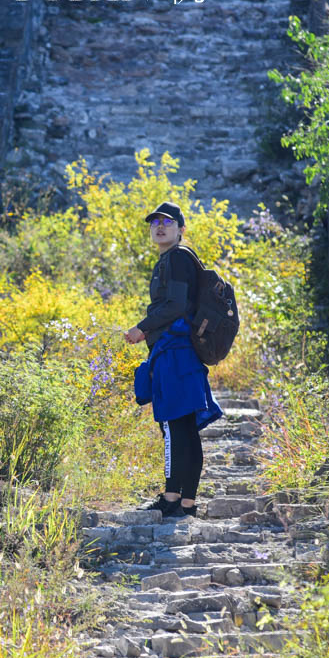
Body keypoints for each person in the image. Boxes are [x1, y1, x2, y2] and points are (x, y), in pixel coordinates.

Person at [124, 201, 223, 519]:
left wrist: (142, 328)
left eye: (167, 221)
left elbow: (177, 305)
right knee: (185, 429)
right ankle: (186, 502)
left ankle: (171, 498)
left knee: (173, 427)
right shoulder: (178, 259)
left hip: (174, 354)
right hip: (183, 355)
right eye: (154, 222)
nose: (159, 226)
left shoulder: (177, 257)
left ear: (181, 229)